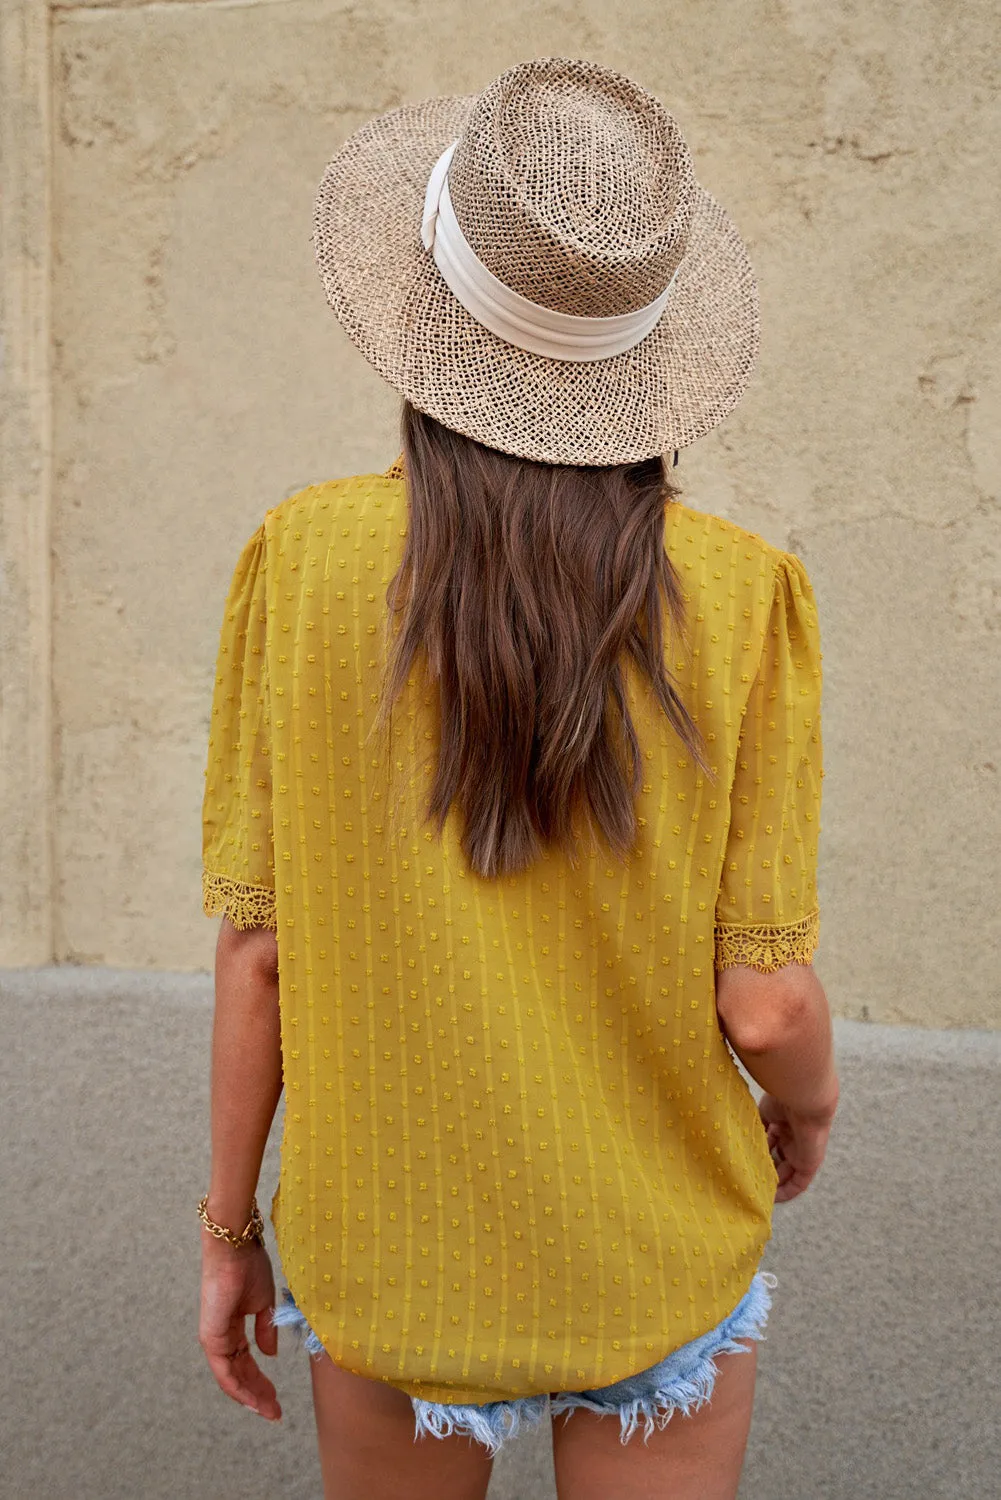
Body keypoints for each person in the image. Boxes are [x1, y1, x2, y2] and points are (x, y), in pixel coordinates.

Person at [196, 56, 839, 1500]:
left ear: (424, 312)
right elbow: (770, 999)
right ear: (650, 350)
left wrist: (229, 1231)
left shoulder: (298, 566)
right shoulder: (745, 602)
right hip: (649, 1246)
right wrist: (809, 1107)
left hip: (392, 1252)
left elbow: (258, 964)